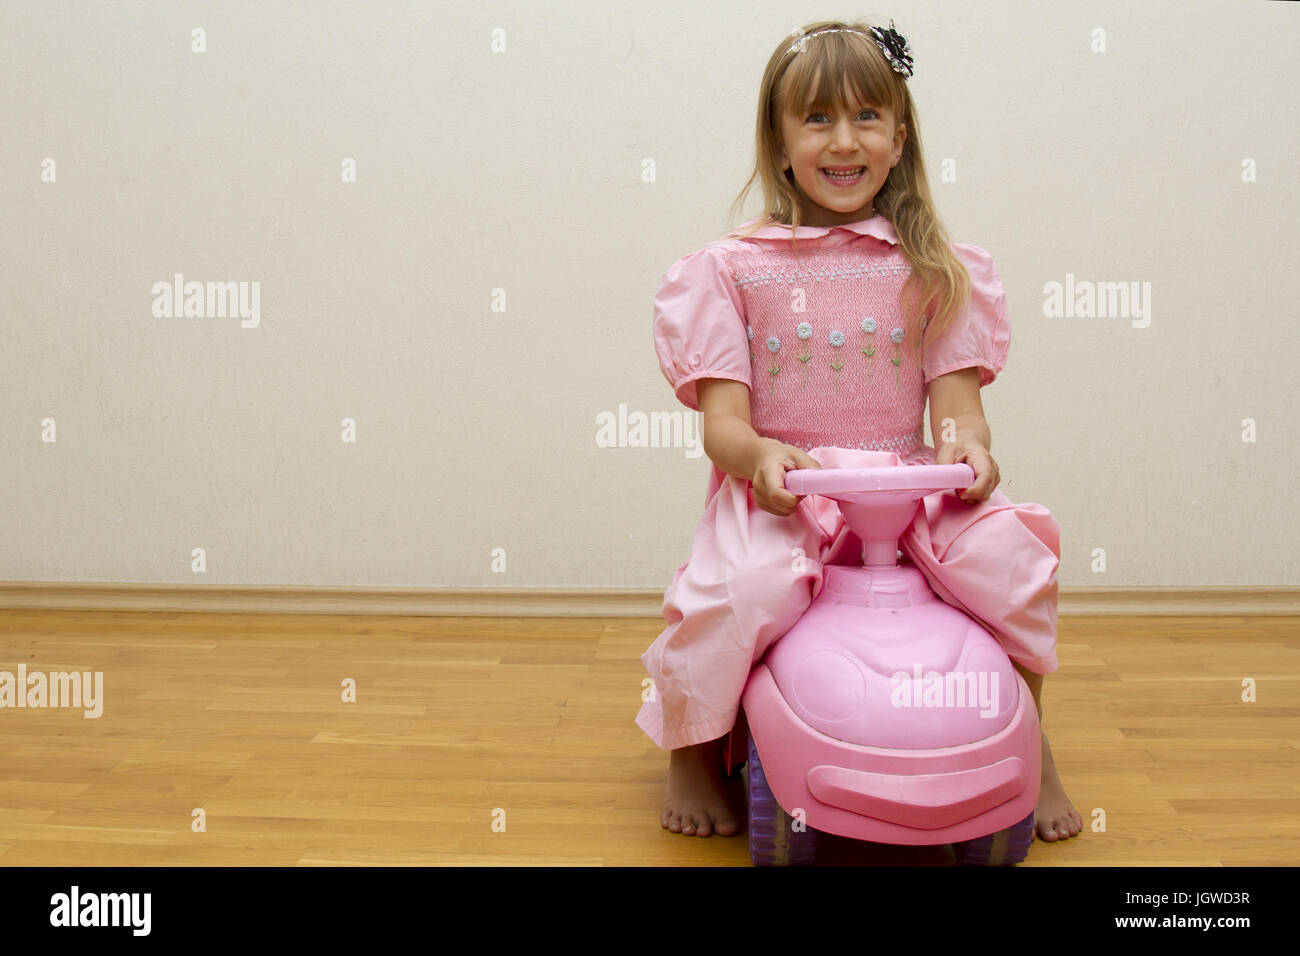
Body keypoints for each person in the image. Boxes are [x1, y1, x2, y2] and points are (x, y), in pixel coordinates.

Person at [635, 19, 1082, 844]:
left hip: (908, 487)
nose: (845, 141)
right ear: (777, 139)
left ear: (900, 136)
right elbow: (723, 425)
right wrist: (762, 456)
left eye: (867, 117)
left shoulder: (936, 265)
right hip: (788, 493)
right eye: (817, 119)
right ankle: (693, 752)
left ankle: (1033, 741)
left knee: (1013, 561)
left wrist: (968, 449)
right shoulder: (733, 267)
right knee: (737, 593)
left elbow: (957, 405)